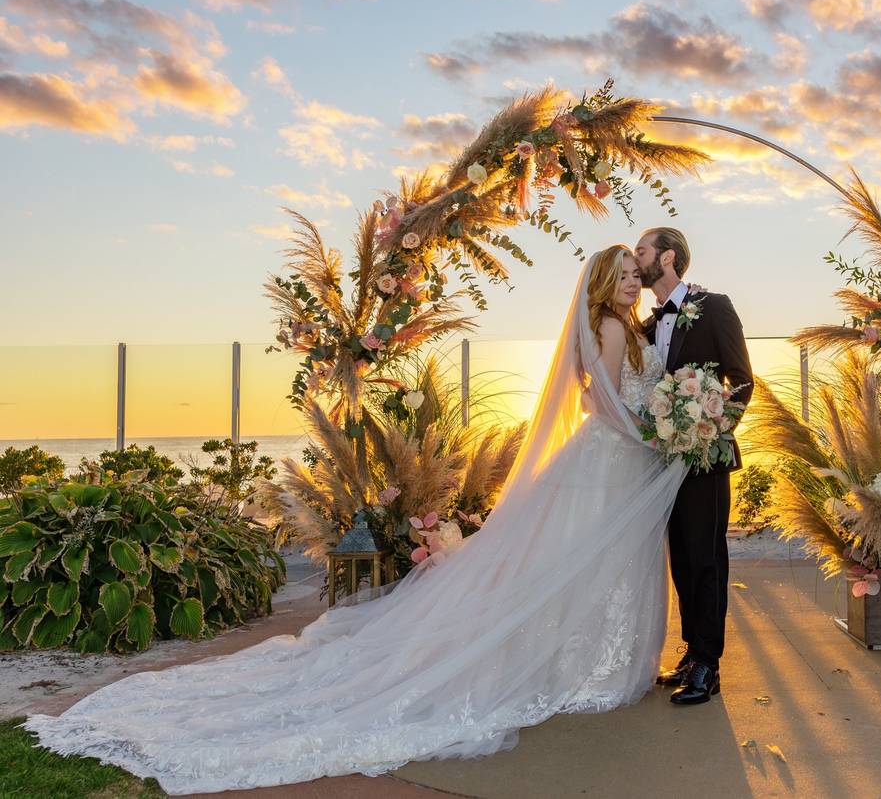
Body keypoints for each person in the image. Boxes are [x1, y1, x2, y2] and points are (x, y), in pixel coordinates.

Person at [27, 245, 692, 794]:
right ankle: (576, 667)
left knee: (586, 566)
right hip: (609, 458)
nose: (633, 279)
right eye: (626, 273)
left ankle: (588, 663)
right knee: (574, 565)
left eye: (639, 272)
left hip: (617, 463)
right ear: (606, 283)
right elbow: (604, 402)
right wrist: (651, 436)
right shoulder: (607, 326)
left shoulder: (627, 327)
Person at [634, 226, 753, 706]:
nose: (635, 257)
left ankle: (709, 663)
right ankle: (691, 652)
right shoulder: (644, 327)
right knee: (681, 560)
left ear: (666, 258)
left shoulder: (715, 306)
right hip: (662, 463)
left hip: (706, 458)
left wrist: (711, 430)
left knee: (706, 559)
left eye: (641, 250)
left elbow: (742, 382)